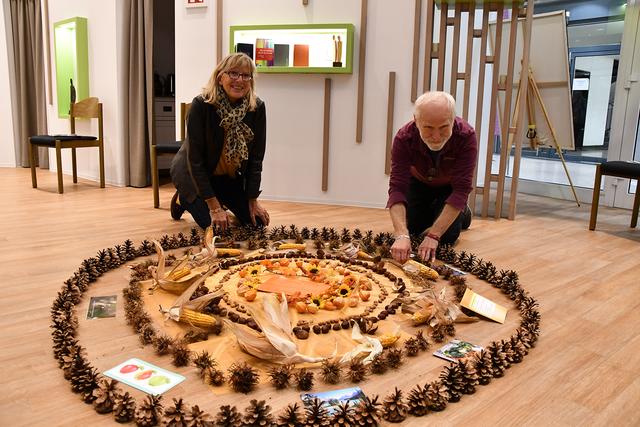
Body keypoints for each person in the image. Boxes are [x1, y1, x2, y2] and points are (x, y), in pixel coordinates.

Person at [170, 53, 270, 230]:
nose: (239, 80)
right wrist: (214, 207)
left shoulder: (257, 108)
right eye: (233, 73)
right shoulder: (201, 105)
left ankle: (219, 199)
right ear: (219, 77)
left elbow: (256, 159)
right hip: (193, 175)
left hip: (226, 177)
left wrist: (253, 200)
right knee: (217, 227)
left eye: (246, 75)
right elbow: (195, 161)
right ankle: (184, 198)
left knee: (257, 224)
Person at [387, 91, 476, 264]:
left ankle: (462, 212)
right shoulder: (403, 138)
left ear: (453, 119)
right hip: (418, 181)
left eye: (444, 127)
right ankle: (438, 212)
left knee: (447, 237)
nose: (436, 136)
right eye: (428, 128)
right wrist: (401, 234)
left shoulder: (467, 136)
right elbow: (397, 188)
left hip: (449, 186)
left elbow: (461, 189)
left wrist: (434, 235)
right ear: (416, 120)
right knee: (413, 231)